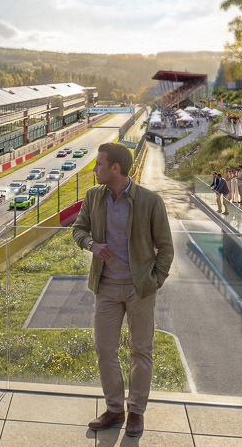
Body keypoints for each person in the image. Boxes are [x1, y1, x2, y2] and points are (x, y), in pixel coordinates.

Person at [73, 142, 174, 438]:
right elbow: (78, 229)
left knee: (140, 351)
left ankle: (136, 412)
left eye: (99, 164)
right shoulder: (93, 197)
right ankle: (115, 409)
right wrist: (91, 244)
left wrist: (155, 281)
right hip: (106, 288)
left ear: (115, 168)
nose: (95, 169)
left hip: (139, 289)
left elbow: (166, 247)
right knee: (105, 350)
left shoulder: (150, 201)